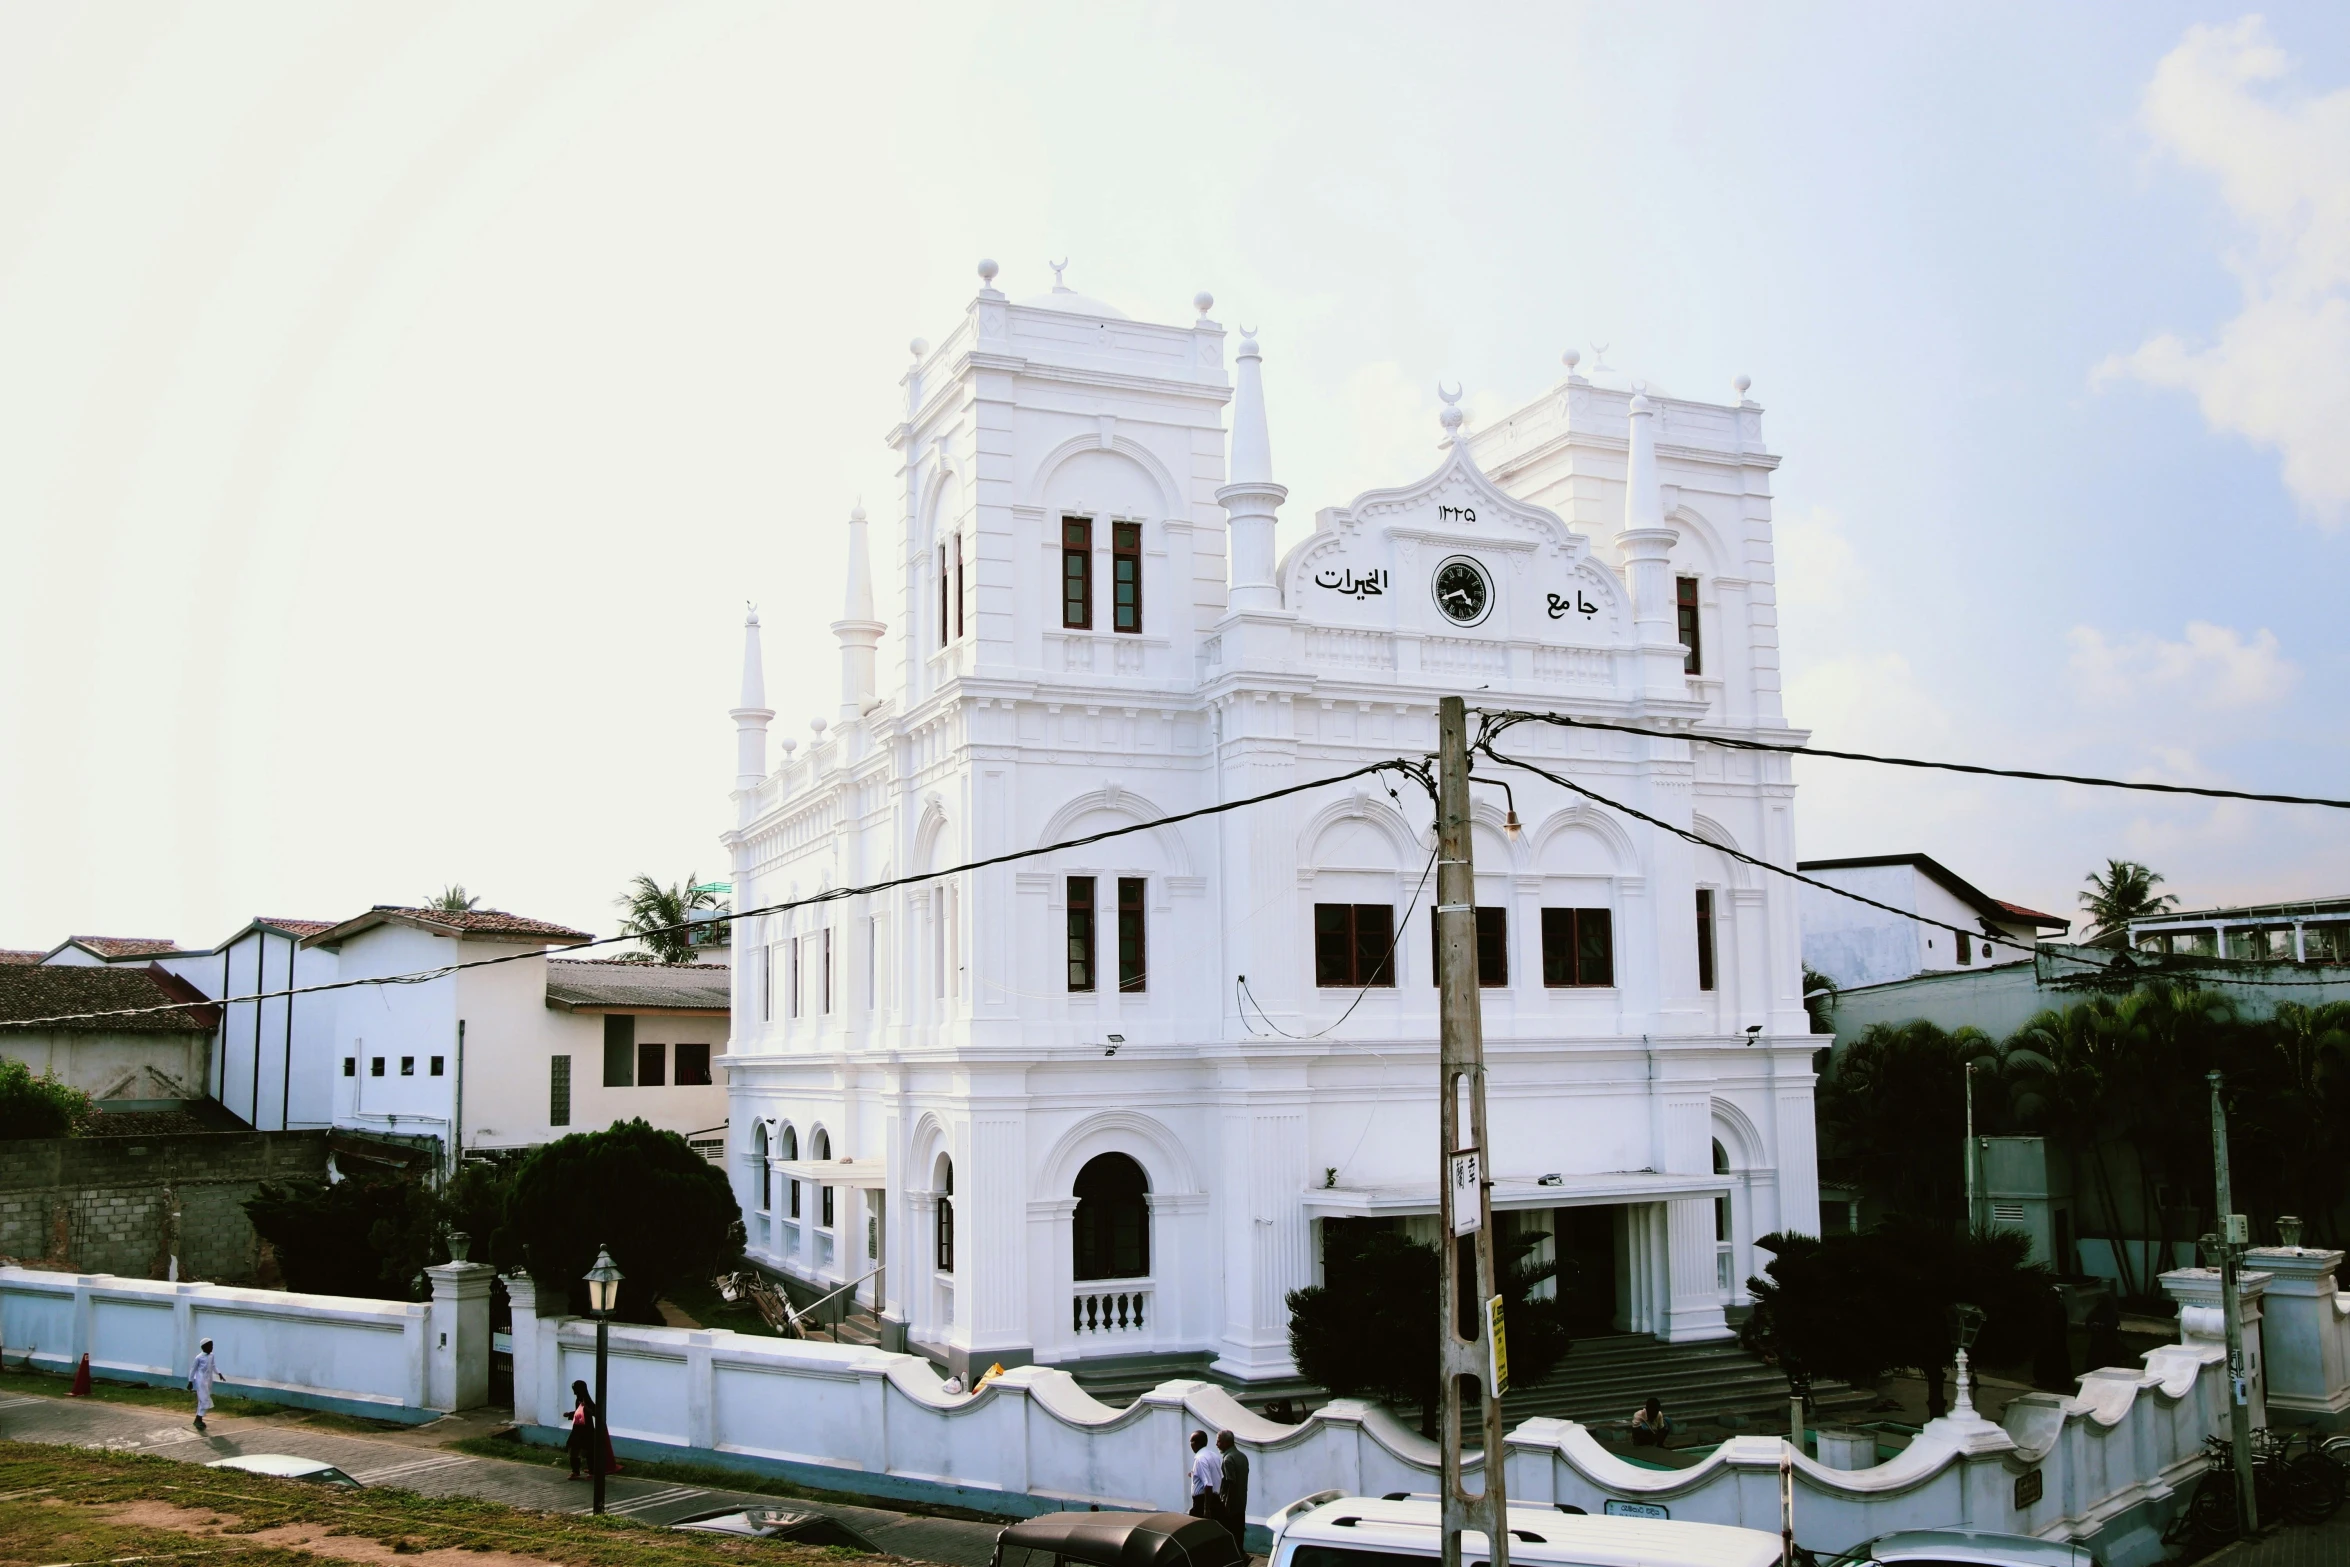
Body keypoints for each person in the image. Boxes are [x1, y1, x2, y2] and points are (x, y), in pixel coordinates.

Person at [1215, 1428, 1250, 1542]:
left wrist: (1225, 1505)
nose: (1217, 1444)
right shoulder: (1242, 1456)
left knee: (1231, 1535)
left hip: (1231, 1505)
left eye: (1219, 1441)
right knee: (1239, 1534)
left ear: (1226, 1443)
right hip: (1241, 1502)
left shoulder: (1228, 1459)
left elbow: (1230, 1483)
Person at [1186, 1430, 1223, 1524]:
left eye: (1191, 1441)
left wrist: (1206, 1509)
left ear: (1195, 1443)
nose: (1190, 1445)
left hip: (1202, 1501)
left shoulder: (1200, 1459)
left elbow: (1208, 1484)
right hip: (1215, 1499)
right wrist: (1194, 1475)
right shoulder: (1214, 1456)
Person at [566, 1380, 598, 1479]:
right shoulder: (578, 1400)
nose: (574, 1392)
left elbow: (595, 1412)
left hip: (586, 1429)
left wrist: (587, 1409)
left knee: (588, 1450)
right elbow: (578, 1412)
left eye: (575, 1389)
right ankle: (575, 1471)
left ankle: (592, 1471)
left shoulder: (586, 1400)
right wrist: (570, 1414)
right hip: (577, 1428)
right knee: (573, 1448)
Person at [187, 1339, 218, 1432]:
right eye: (209, 1346)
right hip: (200, 1381)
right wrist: (190, 1381)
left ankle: (198, 1420)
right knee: (204, 1400)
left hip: (208, 1381)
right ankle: (198, 1419)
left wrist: (219, 1373)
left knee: (203, 1400)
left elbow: (213, 1366)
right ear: (203, 1347)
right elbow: (193, 1369)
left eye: (212, 1346)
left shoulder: (211, 1356)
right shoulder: (198, 1358)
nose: (211, 1348)